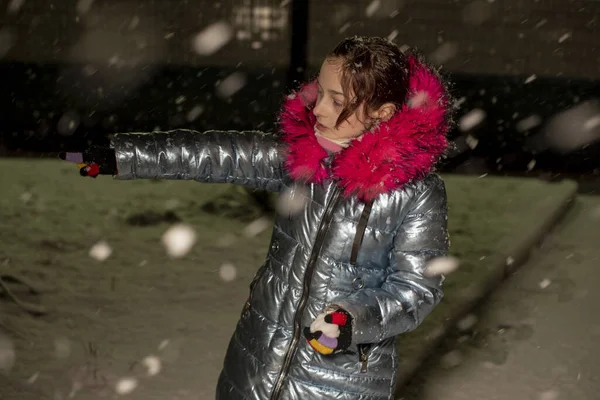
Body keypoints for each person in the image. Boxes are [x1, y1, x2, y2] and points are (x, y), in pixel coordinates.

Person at [61, 36, 452, 400]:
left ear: (381, 113)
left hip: (341, 380)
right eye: (320, 92)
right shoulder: (300, 158)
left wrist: (351, 320)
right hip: (258, 356)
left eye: (336, 100)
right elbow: (215, 154)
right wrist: (122, 156)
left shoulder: (416, 193)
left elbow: (417, 289)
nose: (317, 109)